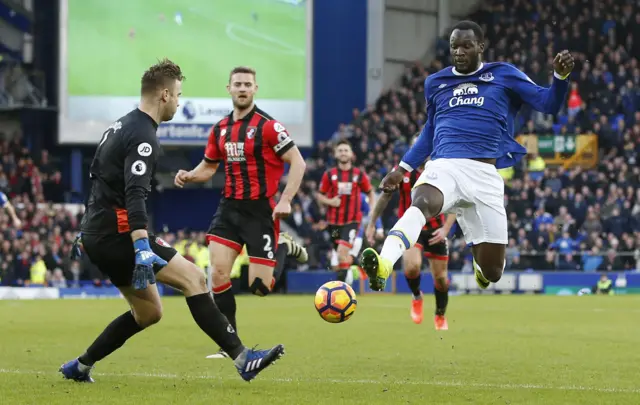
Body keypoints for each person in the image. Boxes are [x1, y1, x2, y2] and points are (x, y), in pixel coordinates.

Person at [60, 59, 283, 383]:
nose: (179, 102)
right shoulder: (144, 135)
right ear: (164, 95)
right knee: (193, 278)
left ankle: (80, 366)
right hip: (119, 233)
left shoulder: (120, 125)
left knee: (149, 313)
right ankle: (243, 359)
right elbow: (135, 194)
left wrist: (86, 231)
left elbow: (98, 180)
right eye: (178, 95)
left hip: (100, 233)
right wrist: (140, 246)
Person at [359, 20, 574, 291]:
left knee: (493, 272)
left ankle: (481, 265)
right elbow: (430, 130)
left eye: (466, 46)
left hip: (485, 175)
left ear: (481, 47)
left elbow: (548, 104)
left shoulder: (503, 74)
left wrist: (560, 78)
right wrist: (403, 168)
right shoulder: (436, 83)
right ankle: (384, 264)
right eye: (454, 47)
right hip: (445, 165)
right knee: (421, 203)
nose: (459, 51)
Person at [174, 66, 306, 355]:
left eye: (248, 84)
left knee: (260, 287)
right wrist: (189, 175)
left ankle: (282, 245)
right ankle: (229, 343)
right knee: (218, 274)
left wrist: (286, 199)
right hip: (229, 208)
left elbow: (298, 162)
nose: (243, 88)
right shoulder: (220, 128)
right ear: (229, 89)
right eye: (238, 84)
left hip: (261, 212)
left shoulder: (269, 127)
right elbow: (209, 167)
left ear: (255, 89)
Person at [366, 159, 456, 330]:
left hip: (436, 230)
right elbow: (385, 196)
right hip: (410, 227)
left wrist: (445, 229)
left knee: (441, 278)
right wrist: (372, 223)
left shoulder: (443, 170)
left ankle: (440, 314)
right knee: (411, 267)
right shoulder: (403, 171)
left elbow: (457, 202)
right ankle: (416, 296)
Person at [316, 140, 375, 282]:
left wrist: (372, 211)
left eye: (346, 150)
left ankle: (340, 290)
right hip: (333, 223)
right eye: (340, 150)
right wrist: (330, 201)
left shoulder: (358, 174)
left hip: (352, 221)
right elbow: (319, 195)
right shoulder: (329, 175)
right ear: (336, 154)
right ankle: (360, 267)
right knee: (339, 261)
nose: (343, 153)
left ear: (351, 154)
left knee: (342, 253)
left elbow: (370, 192)